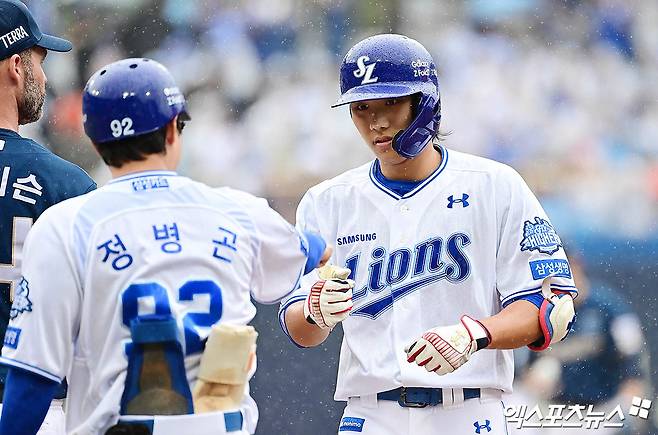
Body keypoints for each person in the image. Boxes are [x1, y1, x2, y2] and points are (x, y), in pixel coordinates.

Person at [0, 57, 330, 435]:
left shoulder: (65, 224)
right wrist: (314, 248)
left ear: (95, 141)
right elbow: (312, 251)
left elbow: (33, 379)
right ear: (173, 130)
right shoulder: (239, 211)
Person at [279, 33, 578, 435]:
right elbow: (300, 330)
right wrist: (314, 312)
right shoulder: (327, 201)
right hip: (371, 414)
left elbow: (552, 308)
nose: (376, 122)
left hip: (469, 410)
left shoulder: (494, 185)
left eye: (391, 102)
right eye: (362, 107)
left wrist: (476, 334)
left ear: (425, 103)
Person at [0, 1, 96, 433]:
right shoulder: (63, 183)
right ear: (16, 67)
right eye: (39, 62)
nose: (44, 77)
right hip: (33, 408)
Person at [518, 252, 648, 434]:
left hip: (603, 411)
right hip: (558, 412)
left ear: (577, 266)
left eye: (564, 272)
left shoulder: (610, 307)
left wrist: (633, 401)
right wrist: (534, 380)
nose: (559, 282)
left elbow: (634, 360)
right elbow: (527, 371)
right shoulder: (541, 312)